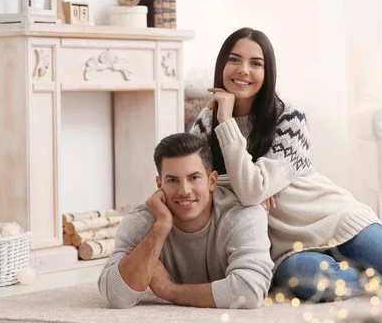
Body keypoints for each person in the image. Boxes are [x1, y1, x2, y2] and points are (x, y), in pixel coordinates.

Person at [190, 27, 382, 302]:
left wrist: (228, 127)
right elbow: (203, 185)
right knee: (312, 283)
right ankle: (369, 273)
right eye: (234, 59)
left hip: (334, 221)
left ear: (267, 73)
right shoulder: (205, 122)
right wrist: (253, 186)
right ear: (222, 64)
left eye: (256, 63)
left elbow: (250, 190)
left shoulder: (289, 117)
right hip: (289, 250)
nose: (243, 70)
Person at [97, 132, 274, 309]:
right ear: (159, 185)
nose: (184, 190)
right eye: (173, 180)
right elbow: (116, 296)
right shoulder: (142, 220)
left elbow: (249, 292)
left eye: (194, 178)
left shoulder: (243, 213)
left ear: (212, 181)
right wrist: (161, 226)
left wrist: (168, 290)